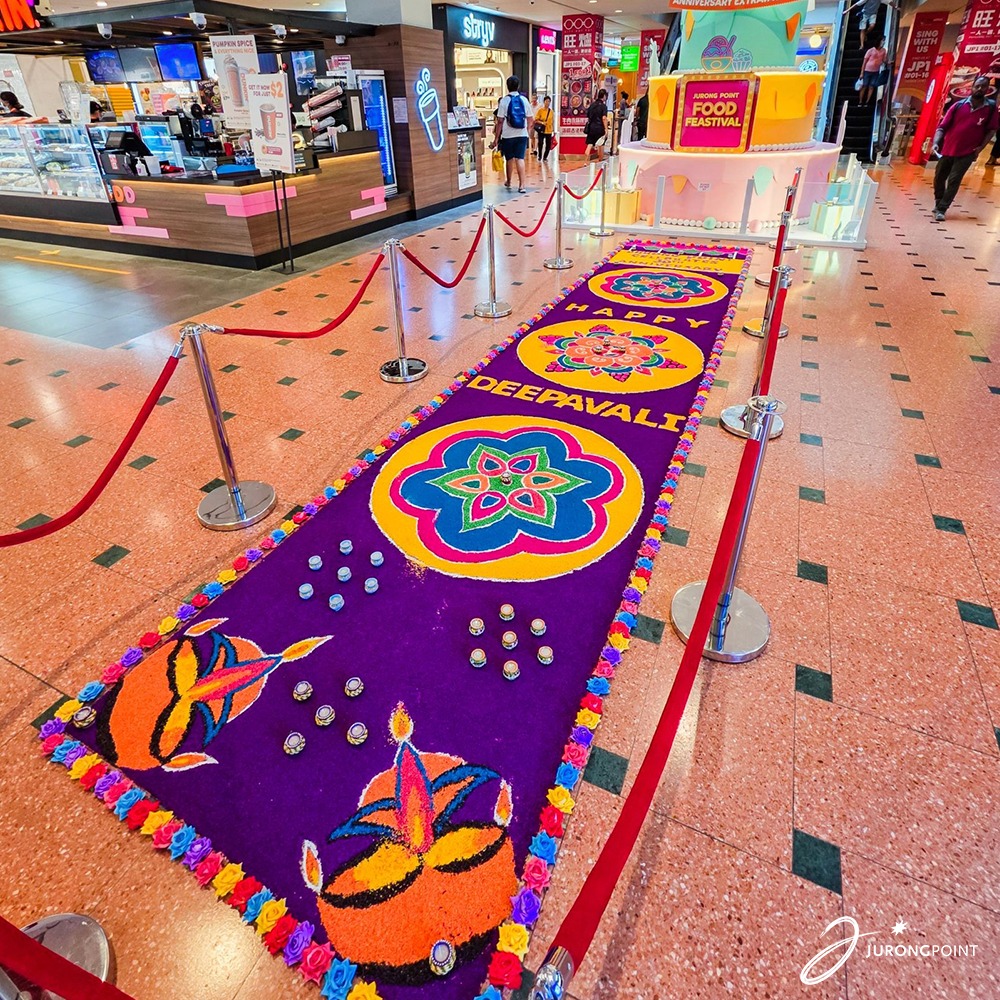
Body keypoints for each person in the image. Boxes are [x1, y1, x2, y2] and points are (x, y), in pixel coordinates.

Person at [931, 75, 998, 221]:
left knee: (954, 179)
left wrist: (980, 148)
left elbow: (991, 130)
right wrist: (936, 142)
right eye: (977, 86)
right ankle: (938, 201)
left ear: (988, 89)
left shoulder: (990, 108)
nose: (980, 89)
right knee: (939, 177)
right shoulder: (958, 106)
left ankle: (942, 209)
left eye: (983, 86)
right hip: (948, 148)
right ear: (972, 87)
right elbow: (942, 127)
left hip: (968, 151)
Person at [490, 75, 533, 193]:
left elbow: (499, 121)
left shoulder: (504, 100)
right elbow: (530, 119)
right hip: (522, 134)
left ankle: (509, 181)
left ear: (507, 86)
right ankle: (522, 185)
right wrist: (527, 131)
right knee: (520, 159)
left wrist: (496, 138)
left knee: (509, 159)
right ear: (518, 86)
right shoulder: (524, 100)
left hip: (508, 135)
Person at [858, 36, 887, 106]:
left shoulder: (884, 51)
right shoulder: (871, 50)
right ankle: (860, 101)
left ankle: (867, 102)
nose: (883, 42)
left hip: (876, 71)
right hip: (867, 70)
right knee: (864, 86)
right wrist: (862, 72)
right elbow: (864, 62)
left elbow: (884, 60)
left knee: (871, 86)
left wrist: (888, 62)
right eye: (882, 40)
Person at [584, 88, 609, 161]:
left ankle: (585, 162)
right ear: (604, 96)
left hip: (591, 128)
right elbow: (604, 118)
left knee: (589, 144)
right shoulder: (603, 106)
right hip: (600, 128)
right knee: (601, 145)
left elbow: (588, 116)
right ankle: (600, 161)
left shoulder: (592, 105)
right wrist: (606, 129)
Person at [534, 95, 555, 162]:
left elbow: (552, 121)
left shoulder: (551, 111)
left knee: (548, 145)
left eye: (549, 101)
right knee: (540, 143)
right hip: (542, 130)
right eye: (546, 101)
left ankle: (545, 157)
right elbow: (536, 120)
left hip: (549, 130)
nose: (547, 103)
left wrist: (553, 130)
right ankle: (540, 156)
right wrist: (542, 123)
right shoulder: (540, 110)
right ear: (544, 102)